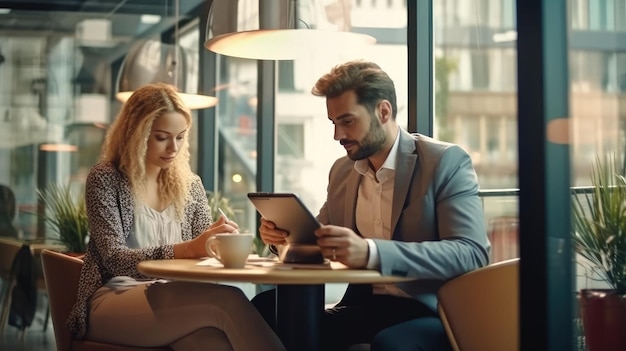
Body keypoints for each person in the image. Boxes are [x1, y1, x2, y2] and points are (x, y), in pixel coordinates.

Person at [252, 60, 491, 351]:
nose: (337, 135)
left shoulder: (444, 162)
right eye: (334, 123)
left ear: (383, 111)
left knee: (391, 344)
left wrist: (371, 251)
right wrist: (283, 239)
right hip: (363, 307)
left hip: (432, 310)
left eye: (347, 121)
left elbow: (472, 252)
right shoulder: (342, 171)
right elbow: (319, 237)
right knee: (266, 309)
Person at [66, 83, 285, 351]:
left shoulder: (190, 185)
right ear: (136, 133)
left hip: (171, 299)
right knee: (229, 300)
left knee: (213, 344)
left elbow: (203, 258)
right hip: (113, 298)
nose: (173, 147)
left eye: (180, 137)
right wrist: (188, 248)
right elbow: (115, 260)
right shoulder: (105, 178)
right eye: (162, 137)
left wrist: (217, 245)